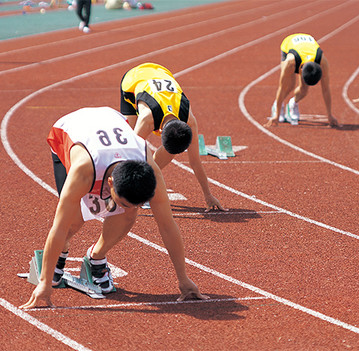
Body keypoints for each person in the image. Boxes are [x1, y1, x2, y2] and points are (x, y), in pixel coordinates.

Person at [20, 107, 208, 309]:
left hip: (112, 122)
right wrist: (44, 283)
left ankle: (96, 257)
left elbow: (167, 225)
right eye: (123, 201)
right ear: (110, 182)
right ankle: (62, 252)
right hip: (69, 131)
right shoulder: (83, 170)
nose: (126, 207)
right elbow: (58, 226)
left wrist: (184, 278)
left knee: (128, 213)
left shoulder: (150, 167)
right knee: (72, 221)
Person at [120, 62, 224, 211]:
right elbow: (126, 155)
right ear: (160, 131)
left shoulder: (189, 121)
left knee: (170, 149)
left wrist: (208, 195)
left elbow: (195, 162)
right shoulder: (147, 119)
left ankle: (148, 183)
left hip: (162, 71)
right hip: (133, 79)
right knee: (132, 144)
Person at [264, 33, 338, 128]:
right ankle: (277, 106)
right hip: (289, 43)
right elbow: (281, 88)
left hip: (306, 46)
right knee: (290, 85)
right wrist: (276, 116)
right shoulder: (290, 63)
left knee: (304, 90)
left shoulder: (323, 63)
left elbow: (326, 89)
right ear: (301, 70)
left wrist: (330, 115)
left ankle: (292, 103)